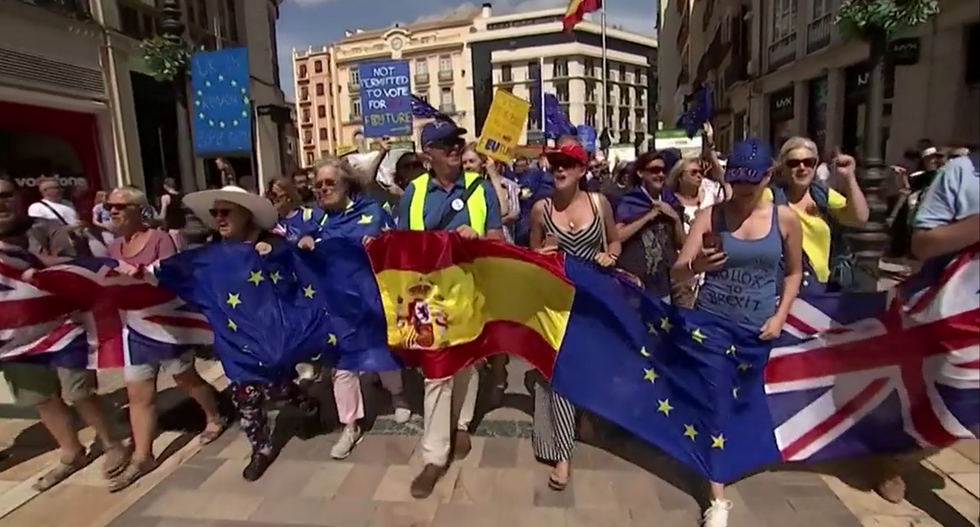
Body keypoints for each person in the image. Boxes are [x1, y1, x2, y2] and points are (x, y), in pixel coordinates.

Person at [121, 185, 321, 482]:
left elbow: (297, 262)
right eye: (215, 214)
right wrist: (139, 272)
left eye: (225, 212)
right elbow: (170, 269)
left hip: (273, 339)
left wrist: (275, 252)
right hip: (234, 342)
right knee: (247, 396)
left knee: (279, 388)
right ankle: (261, 449)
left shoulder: (272, 243)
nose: (219, 218)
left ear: (246, 214)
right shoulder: (210, 254)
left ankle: (307, 405)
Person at [670, 138, 803, 527]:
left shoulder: (784, 219)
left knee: (743, 401)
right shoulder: (710, 216)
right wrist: (697, 264)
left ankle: (730, 459)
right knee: (715, 402)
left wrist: (780, 317)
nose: (743, 191)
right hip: (711, 322)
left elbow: (794, 273)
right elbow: (678, 269)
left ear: (768, 176)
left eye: (752, 182)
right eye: (737, 181)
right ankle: (717, 497)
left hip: (757, 328)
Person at [395, 120, 505, 498]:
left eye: (457, 142)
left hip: (471, 291)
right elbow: (400, 246)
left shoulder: (481, 188)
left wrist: (478, 240)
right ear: (429, 154)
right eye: (445, 144)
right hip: (428, 297)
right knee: (437, 373)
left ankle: (462, 423)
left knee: (468, 362)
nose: (455, 148)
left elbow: (497, 238)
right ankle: (434, 456)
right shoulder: (414, 193)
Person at [0, 175, 130, 492]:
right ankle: (72, 452)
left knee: (79, 392)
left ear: (16, 197)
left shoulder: (44, 228)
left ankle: (113, 443)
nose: (0, 204)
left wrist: (35, 266)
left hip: (63, 325)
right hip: (12, 336)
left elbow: (74, 265)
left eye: (4, 195)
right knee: (42, 399)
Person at [103, 186, 226, 491]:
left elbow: (173, 279)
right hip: (135, 329)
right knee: (139, 396)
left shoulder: (160, 239)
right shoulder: (114, 246)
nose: (113, 211)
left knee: (186, 380)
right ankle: (144, 456)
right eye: (110, 206)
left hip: (167, 327)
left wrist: (141, 275)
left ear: (138, 210)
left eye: (120, 206)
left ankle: (214, 415)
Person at [527, 141, 620, 492]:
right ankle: (562, 454)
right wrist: (541, 254)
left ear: (582, 170)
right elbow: (530, 254)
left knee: (591, 370)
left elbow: (614, 241)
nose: (560, 170)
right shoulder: (541, 209)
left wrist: (611, 255)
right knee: (560, 376)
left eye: (568, 164)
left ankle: (588, 418)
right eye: (555, 165)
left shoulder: (600, 204)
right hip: (555, 303)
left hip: (593, 302)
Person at [310, 156, 410, 460]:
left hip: (371, 297)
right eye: (318, 185)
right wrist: (299, 241)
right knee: (342, 365)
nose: (324, 189)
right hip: (335, 304)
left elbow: (396, 242)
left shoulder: (371, 210)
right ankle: (350, 425)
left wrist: (380, 242)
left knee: (382, 350)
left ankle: (397, 396)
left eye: (330, 182)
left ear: (346, 183)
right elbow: (287, 240)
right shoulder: (316, 219)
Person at [765, 137, 868, 292]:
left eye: (808, 162)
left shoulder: (822, 195)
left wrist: (849, 178)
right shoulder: (770, 196)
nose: (802, 167)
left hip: (823, 286)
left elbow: (859, 218)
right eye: (793, 163)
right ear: (783, 168)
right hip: (784, 287)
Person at [614, 151, 686, 299]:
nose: (660, 175)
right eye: (654, 170)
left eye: (663, 170)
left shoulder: (670, 200)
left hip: (664, 285)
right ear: (641, 173)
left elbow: (681, 243)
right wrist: (648, 216)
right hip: (634, 284)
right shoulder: (630, 201)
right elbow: (617, 237)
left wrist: (675, 218)